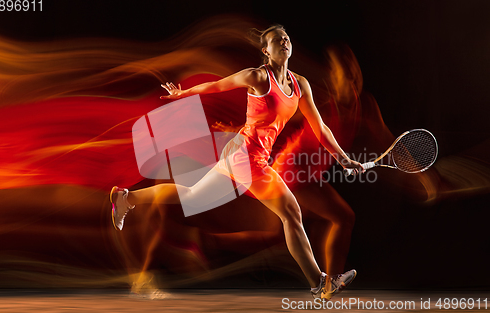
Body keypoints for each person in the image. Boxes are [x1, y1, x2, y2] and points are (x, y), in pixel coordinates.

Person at [110, 25, 364, 300]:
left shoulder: (300, 84)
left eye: (286, 38)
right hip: (247, 157)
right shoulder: (257, 76)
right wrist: (183, 94)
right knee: (291, 212)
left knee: (192, 194)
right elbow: (219, 85)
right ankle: (320, 284)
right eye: (276, 40)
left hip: (241, 152)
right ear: (266, 51)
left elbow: (320, 127)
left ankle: (127, 199)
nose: (284, 42)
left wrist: (343, 158)